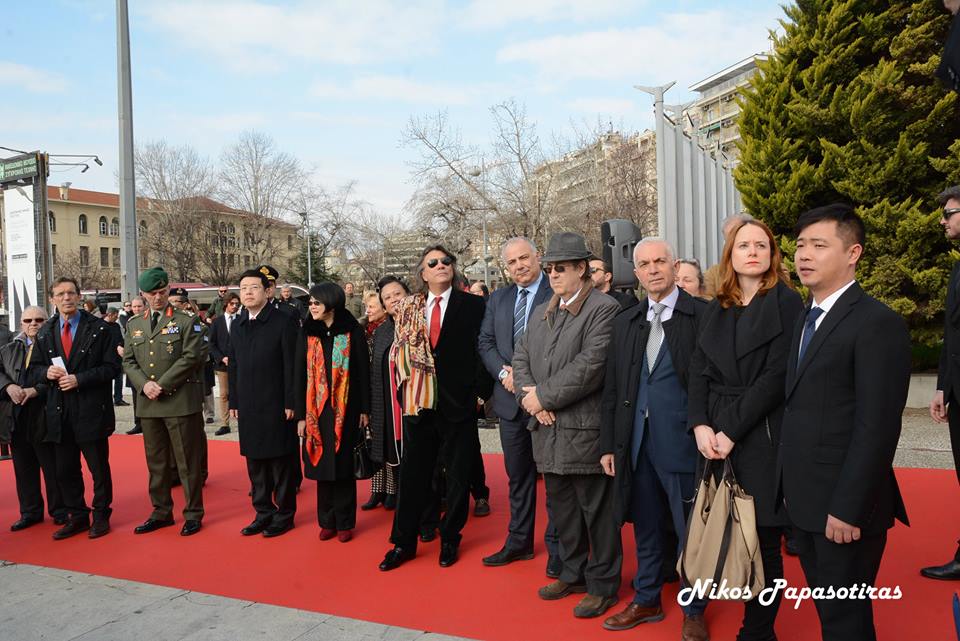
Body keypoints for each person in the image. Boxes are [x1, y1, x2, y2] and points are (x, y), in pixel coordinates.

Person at [780, 204, 910, 641]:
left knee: (845, 621)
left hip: (844, 508)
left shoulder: (877, 322)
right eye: (800, 246)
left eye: (819, 245)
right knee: (833, 617)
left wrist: (849, 507)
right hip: (807, 502)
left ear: (853, 253)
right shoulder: (805, 317)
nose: (804, 255)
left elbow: (877, 426)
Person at [686, 220, 804, 641]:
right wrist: (699, 423)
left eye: (761, 245)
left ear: (772, 254)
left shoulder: (788, 304)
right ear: (730, 255)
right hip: (714, 432)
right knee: (721, 528)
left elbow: (775, 378)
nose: (752, 252)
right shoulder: (717, 305)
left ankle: (757, 632)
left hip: (762, 434)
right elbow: (698, 369)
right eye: (743, 245)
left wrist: (730, 430)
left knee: (763, 543)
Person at [598, 238, 710, 640]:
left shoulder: (702, 316)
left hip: (684, 444)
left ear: (674, 264)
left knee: (688, 532)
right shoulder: (627, 321)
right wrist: (609, 444)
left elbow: (715, 384)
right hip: (637, 445)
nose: (652, 269)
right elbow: (613, 387)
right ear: (637, 272)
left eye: (660, 261)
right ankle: (646, 598)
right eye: (643, 264)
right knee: (644, 526)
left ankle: (694, 607)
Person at [511, 232, 621, 620]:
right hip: (548, 432)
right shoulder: (545, 310)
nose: (553, 274)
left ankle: (604, 584)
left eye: (561, 267)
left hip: (584, 432)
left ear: (581, 269)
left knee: (598, 513)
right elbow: (520, 356)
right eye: (550, 268)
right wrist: (531, 399)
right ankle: (573, 573)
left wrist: (543, 397)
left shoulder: (604, 308)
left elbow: (591, 366)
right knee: (563, 511)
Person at [379, 245, 486, 571]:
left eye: (446, 261)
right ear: (423, 274)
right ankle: (403, 542)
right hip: (418, 403)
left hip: (458, 402)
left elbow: (482, 348)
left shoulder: (474, 305)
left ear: (452, 268)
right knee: (413, 476)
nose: (441, 265)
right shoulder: (409, 307)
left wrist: (480, 392)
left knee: (456, 475)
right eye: (433, 263)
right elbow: (399, 353)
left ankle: (450, 537)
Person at [478, 237, 561, 574]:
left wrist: (527, 380)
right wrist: (503, 372)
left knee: (555, 479)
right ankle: (519, 541)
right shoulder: (498, 298)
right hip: (509, 403)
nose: (519, 266)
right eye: (512, 262)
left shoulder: (555, 291)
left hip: (546, 401)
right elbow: (485, 342)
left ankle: (558, 547)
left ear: (537, 256)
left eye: (524, 258)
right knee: (518, 477)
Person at [28, 276, 121, 540]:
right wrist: (47, 372)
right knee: (65, 469)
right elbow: (33, 369)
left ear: (79, 296)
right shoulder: (46, 331)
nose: (66, 298)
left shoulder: (101, 329)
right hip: (59, 412)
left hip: (91, 409)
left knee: (98, 469)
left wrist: (80, 379)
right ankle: (77, 516)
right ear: (52, 299)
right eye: (60, 294)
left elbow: (112, 368)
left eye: (71, 293)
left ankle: (101, 515)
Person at [123, 268, 209, 537]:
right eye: (152, 293)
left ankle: (193, 513)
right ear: (143, 294)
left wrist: (162, 384)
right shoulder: (134, 324)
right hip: (149, 403)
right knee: (156, 462)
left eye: (162, 292)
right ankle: (161, 511)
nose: (158, 298)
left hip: (180, 400)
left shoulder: (187, 320)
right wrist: (143, 384)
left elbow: (191, 357)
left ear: (169, 290)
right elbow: (128, 360)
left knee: (187, 462)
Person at [229, 268, 301, 538]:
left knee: (280, 462)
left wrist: (291, 401)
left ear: (266, 291)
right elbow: (233, 364)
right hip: (248, 404)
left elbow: (292, 365)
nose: (248, 292)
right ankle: (263, 512)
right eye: (244, 287)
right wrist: (233, 399)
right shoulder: (238, 324)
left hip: (277, 403)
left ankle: (284, 514)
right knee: (255, 463)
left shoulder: (283, 321)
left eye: (254, 287)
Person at [295, 282, 370, 542]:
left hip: (345, 409)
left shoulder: (352, 331)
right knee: (321, 466)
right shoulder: (307, 332)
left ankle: (345, 521)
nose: (311, 307)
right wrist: (302, 416)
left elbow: (362, 372)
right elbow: (297, 374)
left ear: (331, 303)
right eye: (310, 303)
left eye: (316, 302)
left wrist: (364, 409)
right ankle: (327, 520)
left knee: (342, 466)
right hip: (316, 410)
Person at [2, 306, 66, 530]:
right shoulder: (10, 347)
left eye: (39, 319)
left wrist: (36, 390)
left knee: (52, 467)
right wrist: (8, 386)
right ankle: (30, 511)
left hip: (46, 413)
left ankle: (59, 510)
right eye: (28, 320)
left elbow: (62, 378)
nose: (33, 323)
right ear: (21, 323)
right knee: (23, 467)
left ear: (47, 321)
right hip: (17, 415)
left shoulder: (56, 346)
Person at [926, 185, 960, 580]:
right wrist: (942, 387)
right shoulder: (957, 267)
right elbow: (953, 334)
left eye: (949, 213)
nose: (942, 221)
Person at [366, 277, 410, 512]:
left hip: (416, 406)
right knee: (395, 456)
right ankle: (402, 504)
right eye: (387, 298)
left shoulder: (420, 323)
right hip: (390, 408)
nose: (393, 300)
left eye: (397, 294)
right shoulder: (383, 331)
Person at [209, 292, 239, 437]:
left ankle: (243, 420)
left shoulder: (241, 320)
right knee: (224, 394)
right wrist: (221, 358)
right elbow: (211, 344)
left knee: (241, 392)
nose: (235, 306)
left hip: (240, 364)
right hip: (222, 365)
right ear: (226, 304)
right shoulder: (217, 322)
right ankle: (225, 424)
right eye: (232, 303)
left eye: (237, 304)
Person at [702, 214, 755, 297]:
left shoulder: (776, 272)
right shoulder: (714, 275)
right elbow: (706, 304)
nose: (733, 242)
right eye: (729, 238)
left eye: (737, 234)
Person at [124, 297, 147, 435]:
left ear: (145, 306)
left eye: (139, 306)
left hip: (148, 366)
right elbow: (127, 342)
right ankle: (138, 423)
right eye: (134, 307)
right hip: (134, 366)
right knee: (135, 397)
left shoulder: (150, 320)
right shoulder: (130, 323)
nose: (136, 309)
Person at [103, 306, 129, 407]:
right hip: (106, 358)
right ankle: (106, 400)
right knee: (106, 381)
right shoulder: (101, 325)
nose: (117, 318)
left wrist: (120, 345)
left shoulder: (116, 326)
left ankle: (118, 399)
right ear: (110, 315)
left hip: (117, 357)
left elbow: (120, 339)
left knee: (119, 379)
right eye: (115, 316)